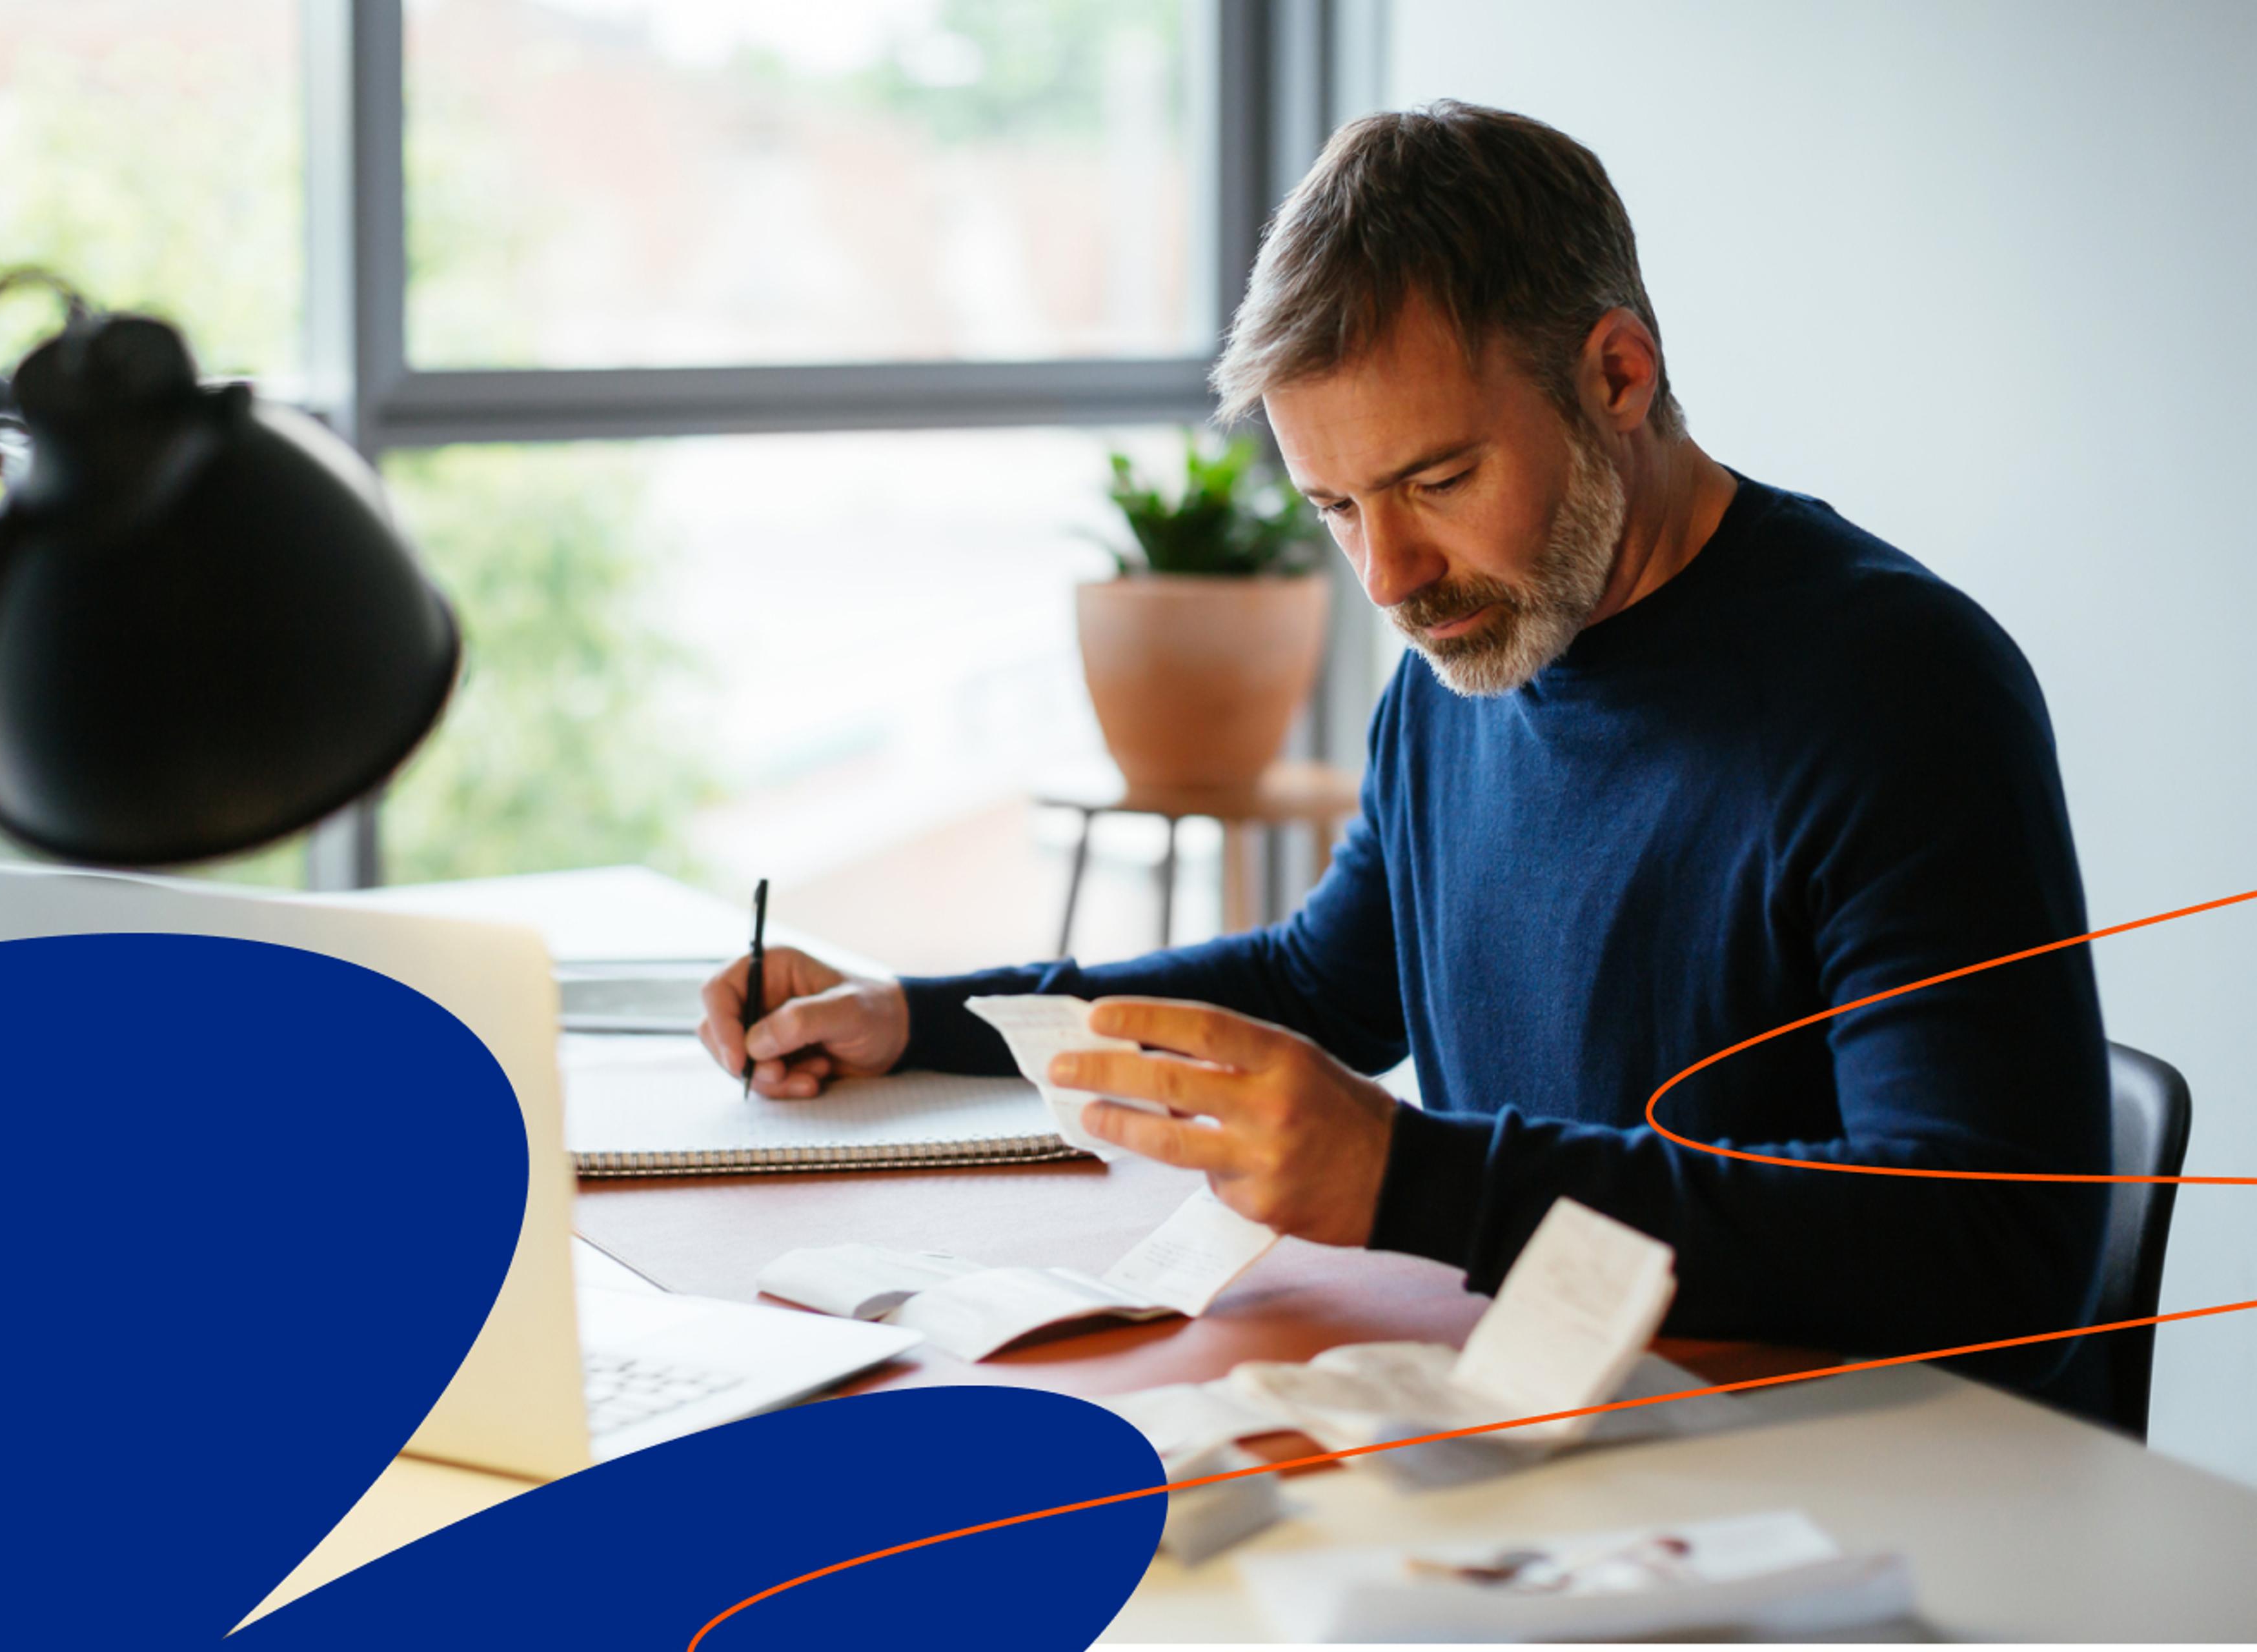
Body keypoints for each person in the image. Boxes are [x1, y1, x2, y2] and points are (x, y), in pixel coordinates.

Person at [697, 103, 2110, 1395]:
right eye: (1336, 505)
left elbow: (1987, 1243)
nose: (1388, 576)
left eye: (1437, 481)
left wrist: (1413, 1177)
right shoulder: (1472, 655)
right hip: (1542, 1407)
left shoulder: (1898, 687)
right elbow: (1327, 982)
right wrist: (921, 1013)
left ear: (1618, 374)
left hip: (1841, 1459)